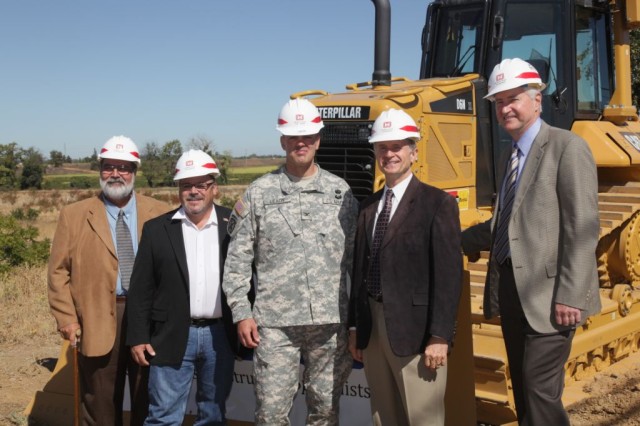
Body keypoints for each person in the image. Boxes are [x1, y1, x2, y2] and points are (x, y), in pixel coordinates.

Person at [462, 58, 601, 425]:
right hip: (512, 291)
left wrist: (571, 294)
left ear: (536, 100)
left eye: (514, 98)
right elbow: (511, 223)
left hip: (551, 294)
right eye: (499, 101)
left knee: (540, 388)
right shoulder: (512, 156)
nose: (506, 107)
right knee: (523, 388)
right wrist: (459, 238)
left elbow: (582, 226)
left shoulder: (566, 147)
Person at [222, 98, 359, 425]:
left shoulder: (341, 194)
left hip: (329, 326)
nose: (302, 142)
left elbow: (357, 262)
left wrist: (356, 323)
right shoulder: (260, 193)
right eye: (294, 136)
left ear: (319, 139)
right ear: (283, 140)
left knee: (325, 413)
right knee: (270, 416)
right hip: (275, 327)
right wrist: (241, 312)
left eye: (309, 136)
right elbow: (238, 260)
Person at [347, 109, 462, 426]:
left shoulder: (437, 203)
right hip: (373, 330)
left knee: (422, 418)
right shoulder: (368, 206)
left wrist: (440, 336)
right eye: (382, 147)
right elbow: (360, 272)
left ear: (413, 152)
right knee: (384, 417)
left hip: (416, 333)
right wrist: (356, 328)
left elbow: (448, 276)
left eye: (397, 146)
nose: (389, 154)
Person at [47, 136, 169, 425]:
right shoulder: (74, 215)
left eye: (123, 167)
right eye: (109, 167)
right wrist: (66, 318)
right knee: (99, 404)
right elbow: (57, 272)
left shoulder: (161, 212)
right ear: (100, 170)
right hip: (96, 317)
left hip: (148, 318)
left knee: (148, 400)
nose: (116, 174)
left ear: (134, 171)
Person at [125, 150, 237, 425]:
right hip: (171, 333)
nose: (194, 192)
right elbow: (141, 289)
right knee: (163, 415)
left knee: (212, 414)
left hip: (219, 335)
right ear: (178, 189)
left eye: (201, 185)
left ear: (215, 188)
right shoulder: (156, 230)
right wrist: (138, 336)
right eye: (187, 185)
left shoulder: (234, 225)